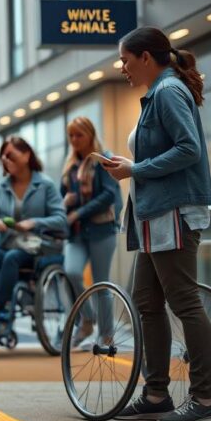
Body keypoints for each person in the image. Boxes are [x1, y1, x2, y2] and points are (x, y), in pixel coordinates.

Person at [102, 27, 211, 421]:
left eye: (126, 60)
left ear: (146, 57)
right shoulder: (158, 94)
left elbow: (189, 149)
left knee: (183, 301)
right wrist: (130, 165)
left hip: (174, 214)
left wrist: (135, 169)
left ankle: (203, 399)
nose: (123, 68)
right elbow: (165, 150)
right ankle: (156, 394)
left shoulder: (167, 92)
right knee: (147, 302)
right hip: (155, 216)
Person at [0, 136, 67, 329]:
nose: (5, 159)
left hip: (37, 248)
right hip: (6, 243)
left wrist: (33, 223)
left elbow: (61, 219)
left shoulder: (45, 185)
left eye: (10, 155)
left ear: (26, 155)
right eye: (3, 157)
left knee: (11, 257)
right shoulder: (0, 187)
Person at [61, 117, 121, 348]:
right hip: (76, 233)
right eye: (71, 136)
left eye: (79, 135)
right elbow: (61, 195)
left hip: (101, 230)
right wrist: (66, 202)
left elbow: (108, 194)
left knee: (101, 283)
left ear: (90, 134)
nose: (74, 140)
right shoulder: (70, 165)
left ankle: (106, 335)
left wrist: (79, 212)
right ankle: (87, 319)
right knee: (72, 272)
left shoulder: (103, 159)